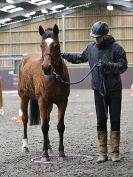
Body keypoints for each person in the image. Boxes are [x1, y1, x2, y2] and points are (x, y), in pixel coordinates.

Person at [62, 21, 128, 163]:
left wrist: (108, 65)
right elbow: (79, 58)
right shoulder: (91, 49)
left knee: (115, 120)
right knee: (101, 120)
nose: (96, 39)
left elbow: (123, 66)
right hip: (98, 90)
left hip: (114, 89)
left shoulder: (116, 48)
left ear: (105, 35)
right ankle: (102, 153)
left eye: (98, 37)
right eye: (94, 36)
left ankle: (115, 152)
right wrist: (64, 55)